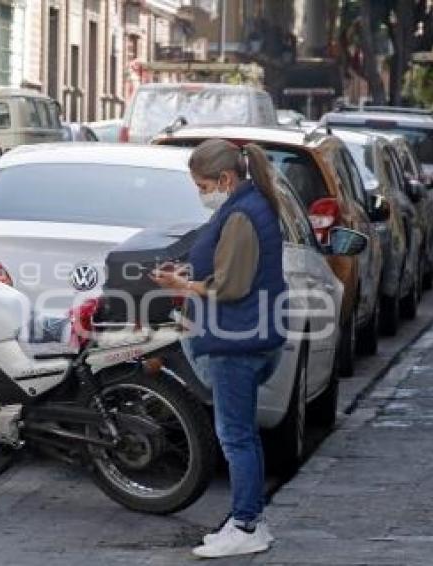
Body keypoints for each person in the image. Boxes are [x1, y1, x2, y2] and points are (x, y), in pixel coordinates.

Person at [151, 139, 287, 559]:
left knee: (236, 437)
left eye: (201, 184)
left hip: (236, 339)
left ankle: (246, 525)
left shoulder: (244, 213)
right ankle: (248, 519)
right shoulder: (249, 206)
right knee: (241, 435)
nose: (200, 192)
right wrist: (192, 273)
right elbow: (229, 269)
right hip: (248, 336)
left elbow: (230, 286)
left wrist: (182, 285)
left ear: (224, 179)